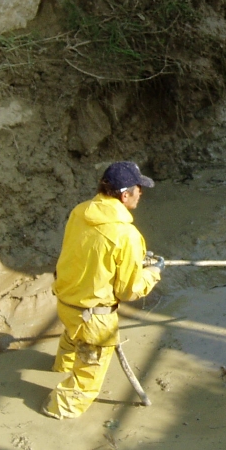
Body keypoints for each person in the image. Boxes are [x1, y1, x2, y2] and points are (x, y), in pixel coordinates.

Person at [42, 161, 163, 419]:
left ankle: (59, 367)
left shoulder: (81, 211)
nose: (142, 193)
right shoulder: (126, 235)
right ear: (125, 194)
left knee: (72, 338)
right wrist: (152, 273)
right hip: (94, 317)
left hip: (66, 301)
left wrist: (134, 259)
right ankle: (59, 408)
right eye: (139, 188)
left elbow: (87, 253)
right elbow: (128, 290)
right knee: (89, 371)